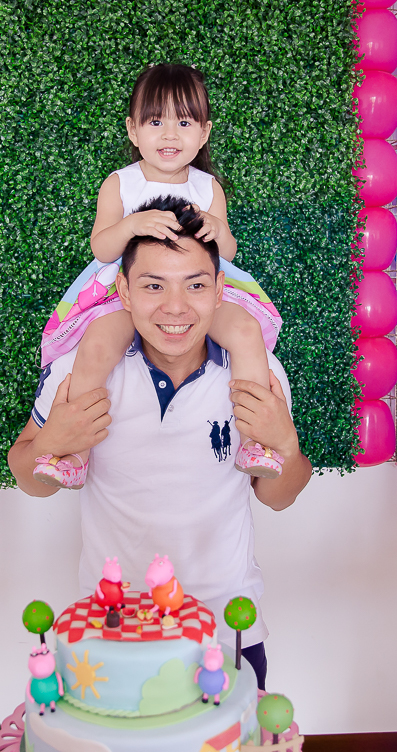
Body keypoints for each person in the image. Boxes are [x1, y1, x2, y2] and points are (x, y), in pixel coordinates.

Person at [7, 200, 313, 689]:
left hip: (228, 624)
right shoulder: (79, 371)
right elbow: (31, 480)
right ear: (124, 291)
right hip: (112, 623)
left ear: (220, 291)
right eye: (154, 286)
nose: (175, 307)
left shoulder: (260, 371)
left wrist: (287, 447)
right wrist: (52, 442)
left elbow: (278, 495)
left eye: (195, 285)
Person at [33, 63, 283, 490]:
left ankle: (255, 442)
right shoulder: (120, 184)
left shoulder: (208, 188)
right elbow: (102, 248)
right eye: (155, 122)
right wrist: (131, 225)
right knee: (97, 345)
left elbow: (226, 253)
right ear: (133, 130)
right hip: (122, 293)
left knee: (244, 332)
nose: (170, 135)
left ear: (203, 133)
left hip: (196, 291)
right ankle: (74, 453)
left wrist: (217, 230)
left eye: (183, 123)